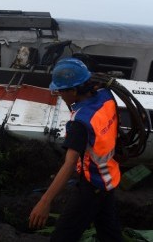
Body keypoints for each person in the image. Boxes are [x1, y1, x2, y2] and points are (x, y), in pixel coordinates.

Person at [29, 58, 122, 242]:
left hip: (92, 184)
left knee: (63, 236)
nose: (59, 95)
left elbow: (69, 163)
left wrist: (45, 201)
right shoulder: (106, 96)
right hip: (109, 178)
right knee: (109, 234)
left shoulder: (80, 123)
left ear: (73, 90)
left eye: (61, 91)